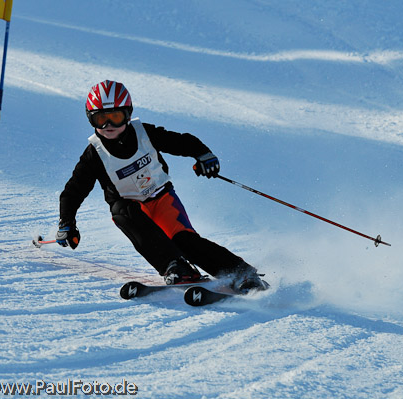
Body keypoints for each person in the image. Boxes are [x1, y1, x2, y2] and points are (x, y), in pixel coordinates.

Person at [55, 80, 267, 293]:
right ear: (90, 118)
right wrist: (67, 222)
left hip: (162, 198)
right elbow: (74, 191)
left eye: (115, 117)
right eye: (100, 118)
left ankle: (241, 273)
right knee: (123, 213)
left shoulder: (144, 134)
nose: (107, 125)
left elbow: (182, 141)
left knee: (184, 240)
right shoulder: (94, 154)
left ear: (128, 115)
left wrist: (203, 154)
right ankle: (174, 266)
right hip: (131, 207)